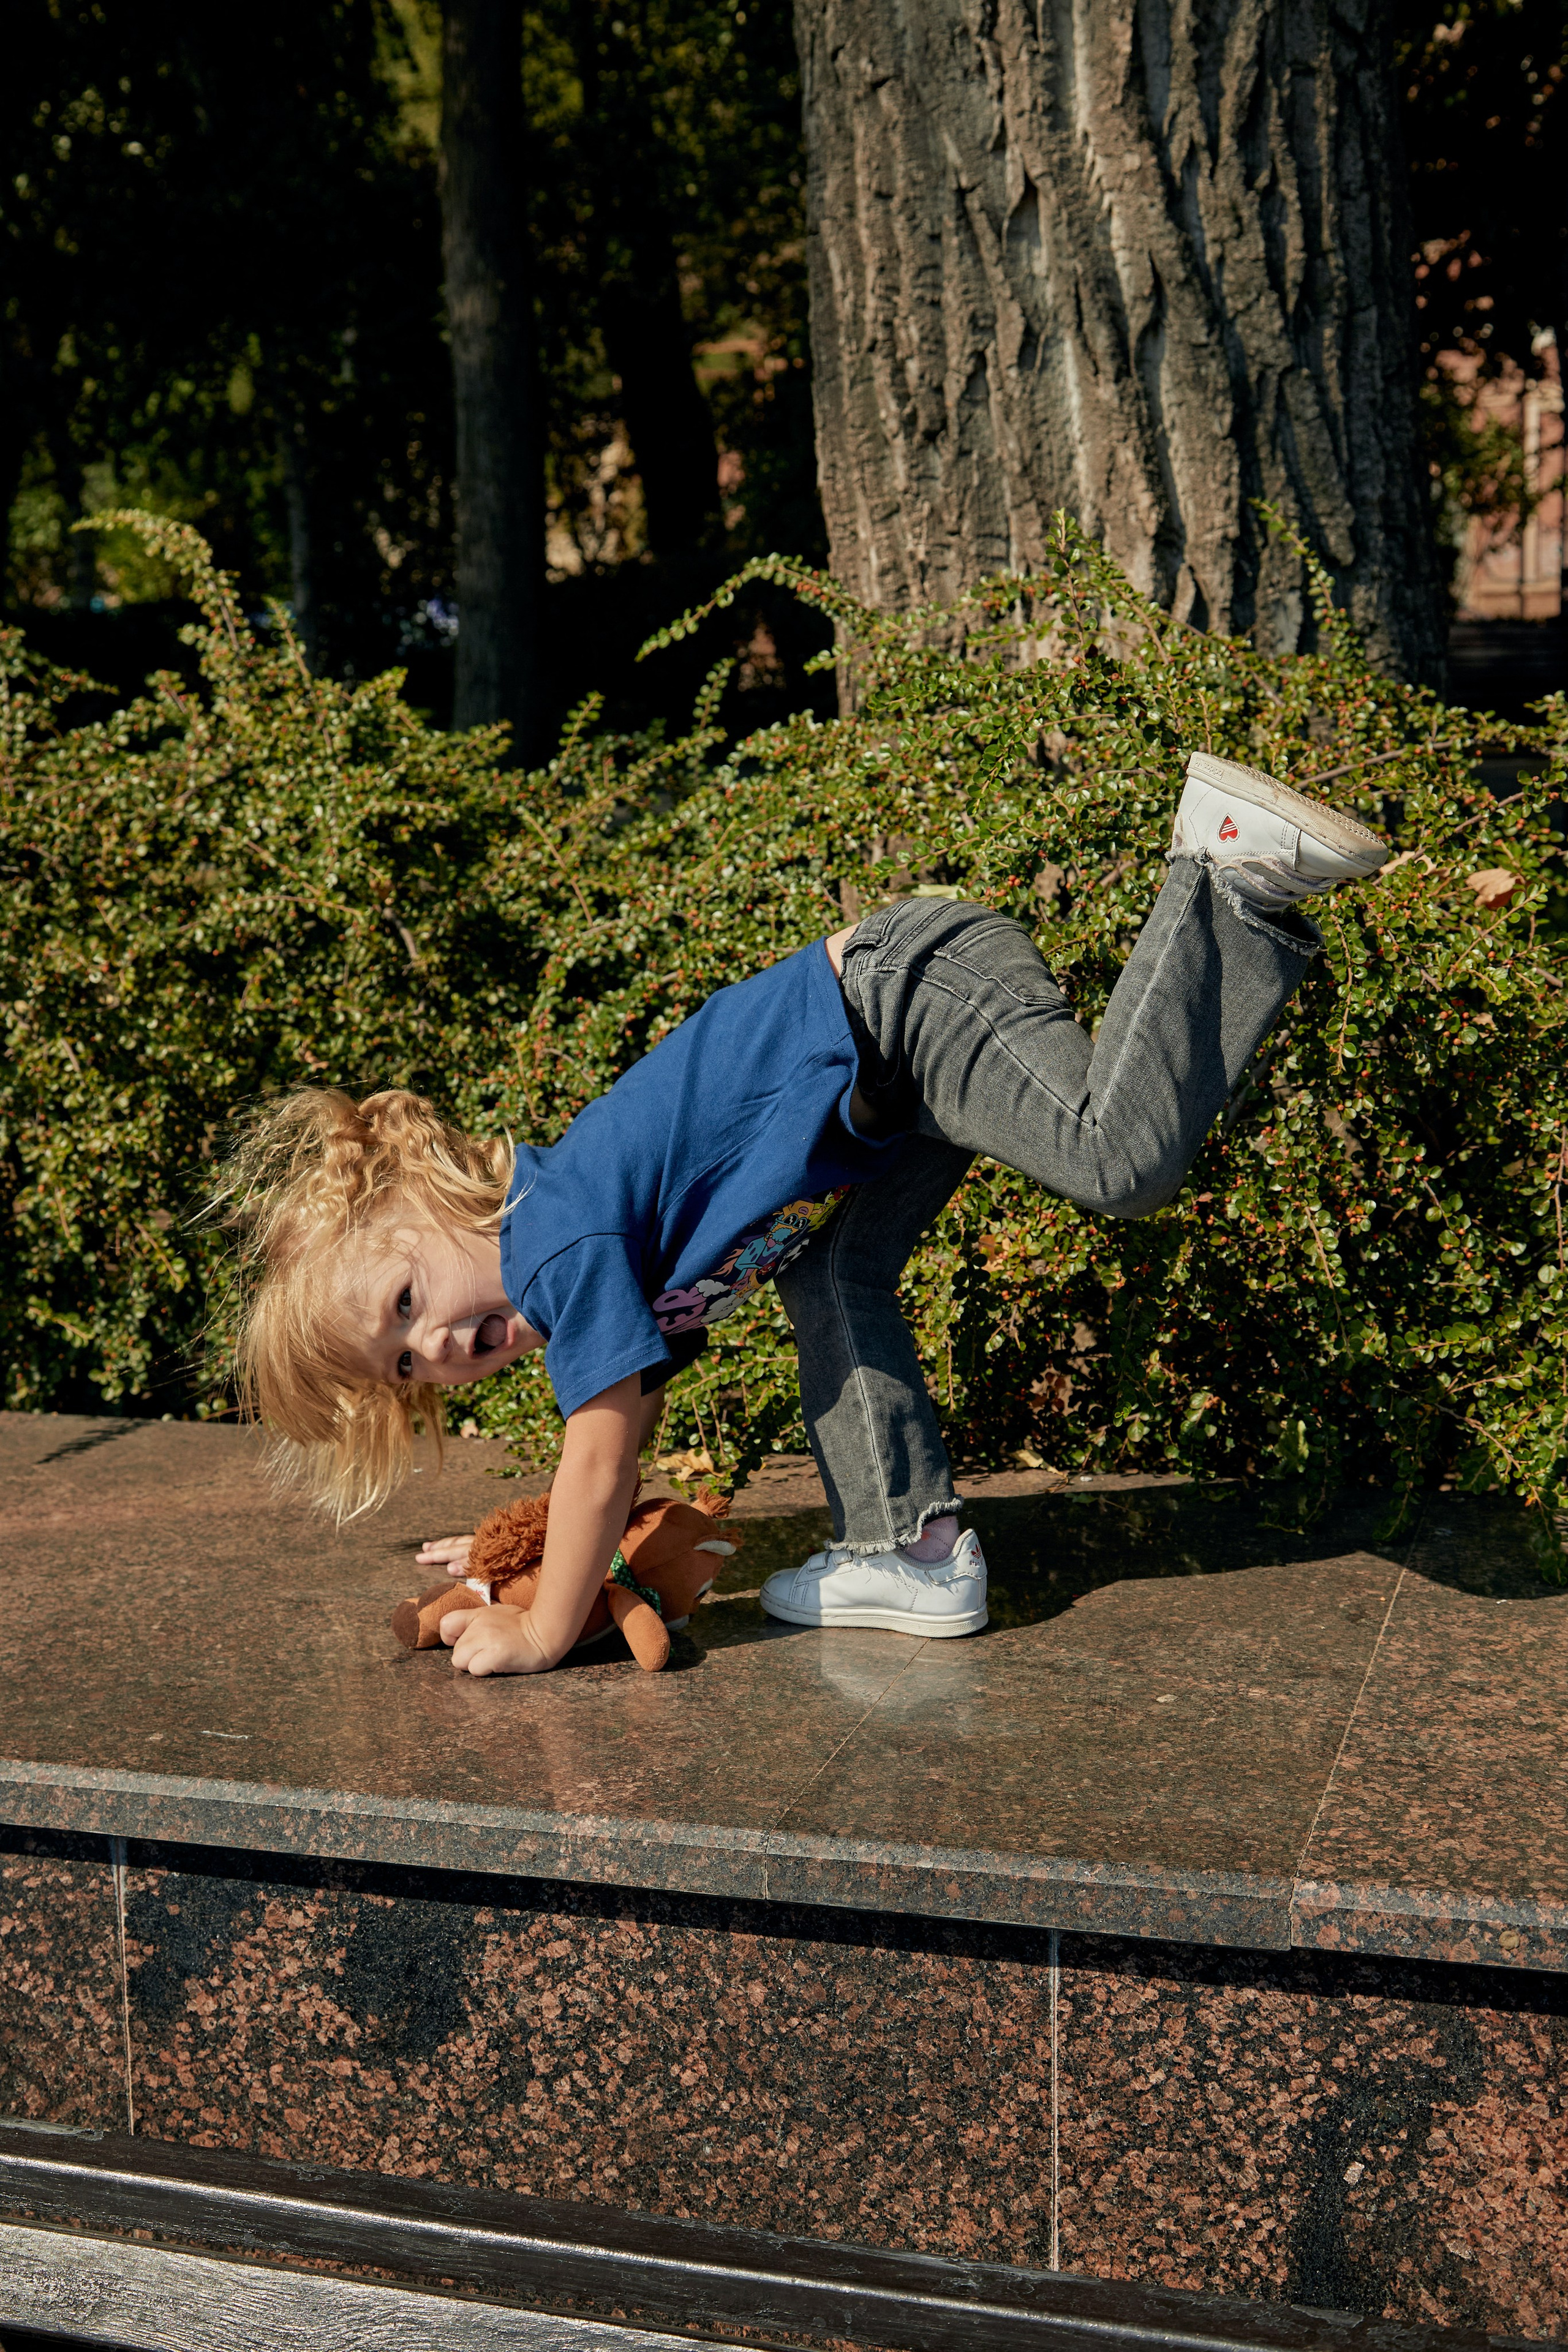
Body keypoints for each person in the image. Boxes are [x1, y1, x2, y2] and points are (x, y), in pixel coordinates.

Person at [219, 753, 1387, 1675]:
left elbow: (598, 1457)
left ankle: (1223, 870)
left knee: (1113, 1156)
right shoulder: (607, 1263)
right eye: (409, 1371)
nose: (436, 1349)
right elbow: (603, 1479)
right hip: (892, 1079)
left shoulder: (561, 1238)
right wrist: (515, 1561)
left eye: (409, 1303)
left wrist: (541, 1627)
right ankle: (905, 1551)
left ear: (428, 1189)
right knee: (830, 1280)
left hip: (906, 995)